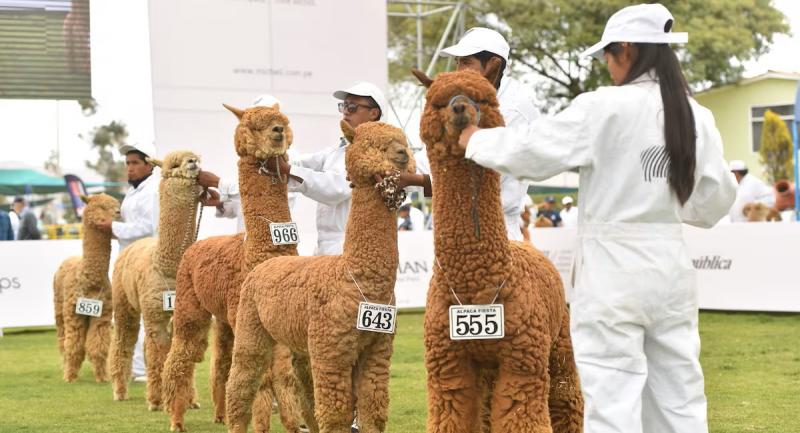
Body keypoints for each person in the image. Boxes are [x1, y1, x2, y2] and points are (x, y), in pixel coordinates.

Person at [458, 4, 737, 433]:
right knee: (680, 396)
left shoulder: (604, 106)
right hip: (669, 266)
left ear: (625, 48)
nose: (606, 65)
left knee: (612, 397)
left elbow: (534, 151)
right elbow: (714, 201)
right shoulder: (696, 114)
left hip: (612, 269)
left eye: (607, 54)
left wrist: (476, 140)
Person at [413, 27, 538, 241]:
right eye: (458, 62)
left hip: (495, 230)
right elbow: (434, 155)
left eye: (466, 62)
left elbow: (481, 176)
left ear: (492, 66)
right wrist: (397, 168)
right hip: (457, 223)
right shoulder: (462, 104)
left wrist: (412, 180)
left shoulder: (512, 109)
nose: (458, 70)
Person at [97, 142, 160, 382]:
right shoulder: (133, 191)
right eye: (127, 164)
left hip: (145, 260)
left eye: (135, 163)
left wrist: (113, 227)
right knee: (125, 314)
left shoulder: (154, 191)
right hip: (126, 259)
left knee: (146, 314)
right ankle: (135, 368)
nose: (130, 169)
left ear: (149, 165)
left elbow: (150, 227)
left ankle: (145, 369)